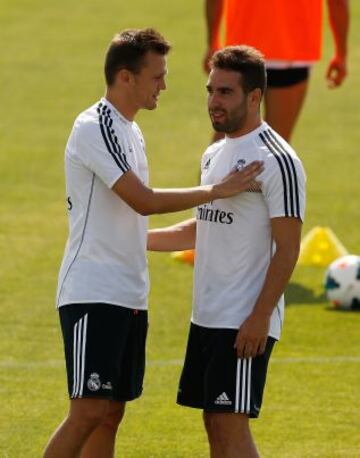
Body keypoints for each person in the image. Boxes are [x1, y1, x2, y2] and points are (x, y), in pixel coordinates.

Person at [43, 29, 263, 458]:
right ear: (126, 77)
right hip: (94, 291)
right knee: (87, 412)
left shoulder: (131, 131)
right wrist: (215, 191)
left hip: (128, 294)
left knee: (110, 414)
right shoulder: (95, 126)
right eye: (156, 76)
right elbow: (142, 201)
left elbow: (129, 222)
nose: (163, 84)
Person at [148, 45, 306, 457]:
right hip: (207, 316)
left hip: (244, 320)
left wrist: (259, 316)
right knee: (214, 422)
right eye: (211, 90)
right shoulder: (214, 153)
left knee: (228, 424)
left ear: (254, 97)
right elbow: (203, 229)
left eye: (225, 92)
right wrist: (135, 239)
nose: (214, 102)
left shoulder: (277, 160)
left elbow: (288, 248)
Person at [204, 0, 349, 142]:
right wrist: (341, 53)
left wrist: (212, 42)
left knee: (225, 144)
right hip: (291, 50)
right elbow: (337, 2)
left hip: (241, 48)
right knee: (274, 146)